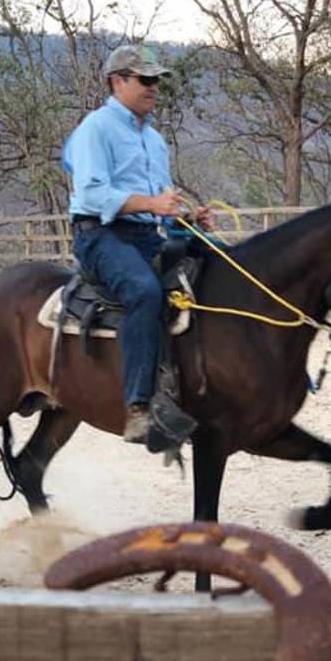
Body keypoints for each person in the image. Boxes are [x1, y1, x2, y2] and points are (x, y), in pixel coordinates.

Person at [62, 44, 212, 444]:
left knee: (215, 267)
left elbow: (160, 201)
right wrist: (152, 204)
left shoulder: (156, 141)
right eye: (145, 80)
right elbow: (92, 194)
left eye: (156, 81)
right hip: (100, 236)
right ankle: (139, 408)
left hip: (146, 235)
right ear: (118, 82)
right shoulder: (95, 128)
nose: (153, 88)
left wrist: (188, 217)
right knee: (144, 291)